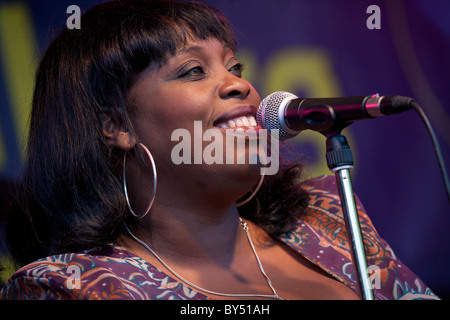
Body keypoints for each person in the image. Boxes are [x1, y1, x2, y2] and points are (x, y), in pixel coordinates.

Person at [0, 0, 438, 300]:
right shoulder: (71, 288)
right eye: (194, 70)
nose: (240, 84)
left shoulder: (328, 219)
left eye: (234, 66)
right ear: (116, 125)